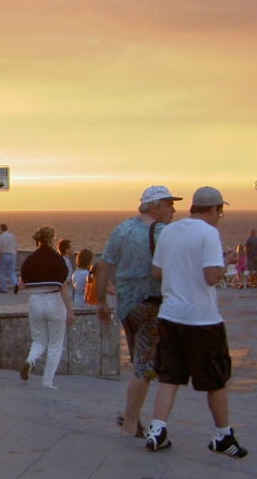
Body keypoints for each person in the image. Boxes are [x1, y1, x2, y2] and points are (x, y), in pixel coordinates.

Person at [146, 186, 245, 458]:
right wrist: (225, 261)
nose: (219, 217)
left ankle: (157, 429)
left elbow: (157, 271)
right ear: (214, 209)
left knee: (170, 376)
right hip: (202, 318)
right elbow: (212, 277)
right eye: (220, 213)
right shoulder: (209, 233)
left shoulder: (169, 231)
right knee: (215, 379)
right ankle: (223, 435)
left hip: (170, 315)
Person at [94, 185, 181, 438]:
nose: (173, 209)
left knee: (140, 362)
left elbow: (104, 265)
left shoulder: (122, 228)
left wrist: (101, 302)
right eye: (168, 204)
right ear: (154, 207)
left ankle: (134, 417)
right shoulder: (164, 232)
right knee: (144, 367)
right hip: (151, 305)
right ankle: (131, 423)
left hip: (127, 307)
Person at [17, 225, 72, 389]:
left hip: (35, 301)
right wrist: (70, 311)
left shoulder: (30, 259)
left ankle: (30, 360)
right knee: (55, 344)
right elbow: (63, 287)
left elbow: (21, 285)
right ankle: (47, 382)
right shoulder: (58, 260)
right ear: (52, 239)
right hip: (54, 299)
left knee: (39, 339)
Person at [0, 222, 19, 294]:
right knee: (11, 272)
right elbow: (16, 246)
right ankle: (15, 284)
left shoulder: (1, 237)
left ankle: (4, 289)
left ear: (1, 229)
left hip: (5, 255)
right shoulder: (12, 236)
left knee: (2, 273)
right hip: (13, 255)